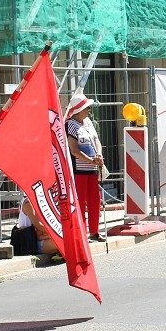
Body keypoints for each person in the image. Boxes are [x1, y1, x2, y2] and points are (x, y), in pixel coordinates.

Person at [65, 91, 107, 241]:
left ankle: (95, 231)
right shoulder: (70, 124)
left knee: (95, 200)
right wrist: (90, 160)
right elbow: (74, 150)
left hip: (93, 169)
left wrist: (99, 155)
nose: (89, 110)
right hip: (79, 170)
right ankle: (82, 233)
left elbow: (97, 141)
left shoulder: (88, 122)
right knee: (81, 202)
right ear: (78, 109)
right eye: (87, 108)